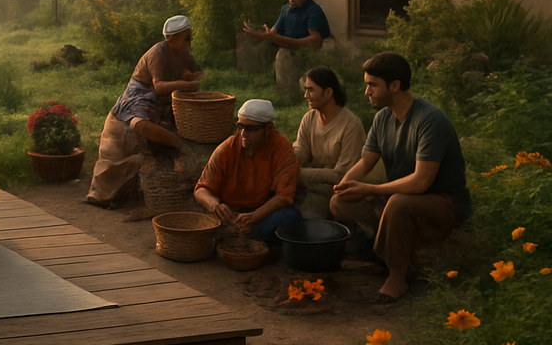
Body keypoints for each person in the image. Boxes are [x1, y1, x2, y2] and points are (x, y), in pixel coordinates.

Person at [331, 52, 470, 303]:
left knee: (398, 203)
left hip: (441, 202)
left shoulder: (430, 120)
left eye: (372, 85)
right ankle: (378, 251)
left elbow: (420, 182)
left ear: (394, 86)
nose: (366, 92)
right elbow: (365, 161)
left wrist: (371, 189)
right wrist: (346, 184)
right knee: (339, 201)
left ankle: (397, 278)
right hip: (400, 198)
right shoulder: (382, 118)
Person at [85, 15, 205, 209]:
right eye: (187, 38)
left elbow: (201, 75)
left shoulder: (184, 53)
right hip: (141, 95)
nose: (190, 42)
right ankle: (175, 142)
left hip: (164, 99)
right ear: (171, 39)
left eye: (190, 37)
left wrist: (191, 75)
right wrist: (188, 84)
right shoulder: (157, 53)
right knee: (140, 124)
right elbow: (158, 86)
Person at [194, 99, 301, 243]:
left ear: (268, 129)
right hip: (230, 213)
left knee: (291, 217)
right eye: (240, 127)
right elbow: (201, 189)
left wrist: (254, 217)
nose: (243, 134)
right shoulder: (227, 148)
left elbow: (283, 196)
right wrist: (215, 205)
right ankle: (238, 236)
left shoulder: (283, 150)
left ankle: (246, 236)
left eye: (251, 128)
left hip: (261, 213)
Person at [293, 66, 366, 215]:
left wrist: (297, 172)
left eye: (311, 90)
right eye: (305, 90)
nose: (306, 95)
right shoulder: (309, 118)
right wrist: (285, 163)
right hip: (310, 184)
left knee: (308, 216)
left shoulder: (350, 125)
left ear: (328, 92)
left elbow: (340, 175)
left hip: (336, 191)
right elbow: (301, 151)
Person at [243, 0, 332, 50]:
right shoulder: (286, 9)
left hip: (311, 54)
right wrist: (260, 32)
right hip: (292, 50)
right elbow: (273, 33)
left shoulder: (313, 11)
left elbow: (315, 41)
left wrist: (272, 37)